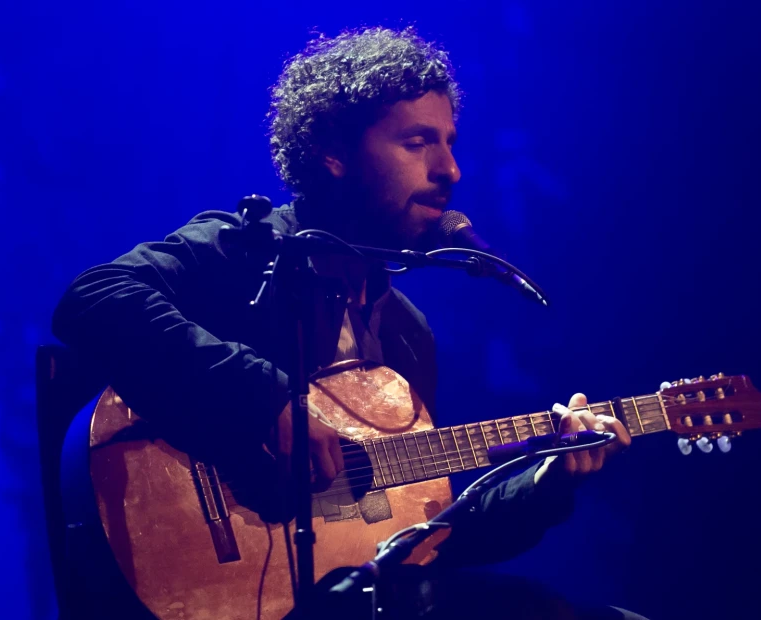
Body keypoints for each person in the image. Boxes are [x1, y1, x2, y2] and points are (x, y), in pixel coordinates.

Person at [52, 27, 644, 620]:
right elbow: (94, 298)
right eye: (418, 142)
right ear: (332, 153)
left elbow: (426, 540)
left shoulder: (405, 334)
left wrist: (545, 483)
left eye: (450, 143)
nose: (451, 170)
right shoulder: (249, 253)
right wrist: (267, 399)